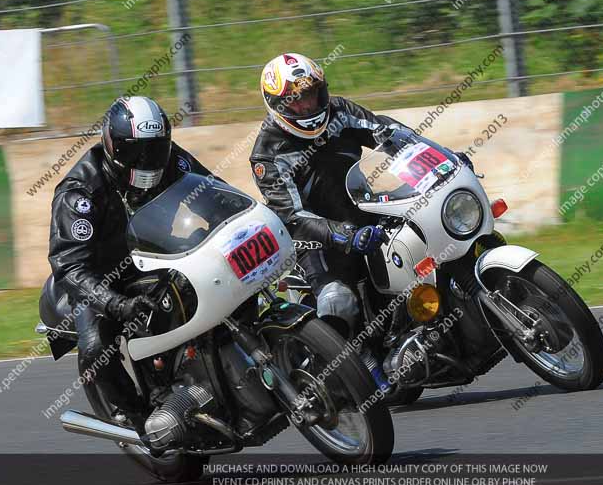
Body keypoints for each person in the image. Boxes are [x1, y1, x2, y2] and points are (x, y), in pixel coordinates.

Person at [47, 96, 216, 431]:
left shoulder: (170, 160)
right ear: (111, 145)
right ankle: (139, 421)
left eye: (153, 150)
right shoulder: (80, 191)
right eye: (133, 151)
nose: (145, 160)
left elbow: (215, 193)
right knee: (96, 348)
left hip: (154, 256)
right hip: (97, 280)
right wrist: (116, 304)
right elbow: (69, 264)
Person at [250, 53, 419, 388]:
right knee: (336, 299)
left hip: (364, 210)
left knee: (419, 243)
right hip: (314, 239)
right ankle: (354, 364)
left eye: (313, 94)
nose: (308, 105)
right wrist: (342, 234)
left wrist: (432, 155)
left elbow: (385, 130)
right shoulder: (267, 153)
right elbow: (291, 214)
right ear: (277, 104)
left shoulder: (339, 112)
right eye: (296, 100)